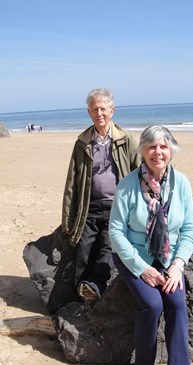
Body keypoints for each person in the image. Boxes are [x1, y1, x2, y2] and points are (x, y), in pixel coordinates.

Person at [108, 125, 193, 365]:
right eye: (151, 147)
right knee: (152, 305)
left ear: (171, 150)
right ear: (143, 151)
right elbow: (116, 232)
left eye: (163, 146)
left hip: (169, 258)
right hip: (133, 256)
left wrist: (177, 267)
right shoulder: (128, 185)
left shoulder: (181, 183)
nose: (157, 152)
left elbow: (189, 229)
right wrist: (142, 268)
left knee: (177, 303)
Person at [61, 88, 140, 303]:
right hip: (90, 207)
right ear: (89, 113)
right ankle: (79, 294)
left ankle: (95, 287)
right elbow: (71, 184)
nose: (99, 113)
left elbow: (140, 173)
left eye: (103, 109)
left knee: (108, 246)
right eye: (95, 109)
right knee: (83, 249)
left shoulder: (126, 141)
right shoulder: (82, 143)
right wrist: (67, 220)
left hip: (118, 207)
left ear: (112, 111)